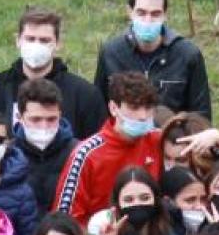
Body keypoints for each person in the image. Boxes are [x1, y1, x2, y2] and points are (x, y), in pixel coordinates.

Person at [0, 7, 107, 143]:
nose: (36, 45)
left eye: (44, 40)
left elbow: (97, 149)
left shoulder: (85, 95)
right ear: (18, 40)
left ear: (58, 44)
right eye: (30, 39)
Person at [53, 72, 164, 226]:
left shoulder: (159, 140)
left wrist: (210, 136)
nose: (143, 116)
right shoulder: (86, 154)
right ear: (113, 108)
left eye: (148, 108)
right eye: (134, 107)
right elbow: (63, 219)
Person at [92, 0, 212, 118]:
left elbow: (201, 114)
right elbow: (98, 110)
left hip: (170, 136)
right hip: (123, 136)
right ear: (130, 12)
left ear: (165, 15)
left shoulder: (188, 55)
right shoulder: (111, 53)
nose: (148, 20)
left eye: (155, 14)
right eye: (141, 13)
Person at [13, 79, 80, 215]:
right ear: (19, 117)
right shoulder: (8, 155)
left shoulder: (79, 153)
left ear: (60, 116)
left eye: (51, 119)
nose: (44, 126)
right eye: (35, 119)